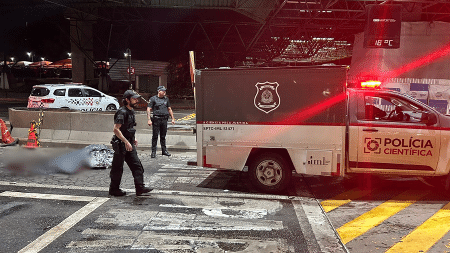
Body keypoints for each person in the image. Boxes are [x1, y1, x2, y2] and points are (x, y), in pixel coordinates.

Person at [109, 90, 152, 197]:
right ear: (127, 100)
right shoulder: (122, 112)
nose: (136, 100)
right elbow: (116, 129)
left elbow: (129, 127)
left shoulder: (131, 111)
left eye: (136, 98)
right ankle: (114, 190)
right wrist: (126, 141)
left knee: (137, 166)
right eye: (134, 98)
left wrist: (133, 138)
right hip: (121, 144)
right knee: (117, 168)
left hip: (129, 143)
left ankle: (140, 188)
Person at [147, 85, 175, 158]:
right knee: (155, 136)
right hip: (156, 119)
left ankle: (164, 150)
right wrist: (149, 119)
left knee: (163, 136)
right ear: (159, 91)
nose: (165, 92)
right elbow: (148, 109)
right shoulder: (153, 99)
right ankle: (153, 152)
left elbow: (169, 109)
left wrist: (173, 118)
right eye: (163, 90)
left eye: (165, 90)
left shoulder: (166, 99)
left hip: (164, 119)